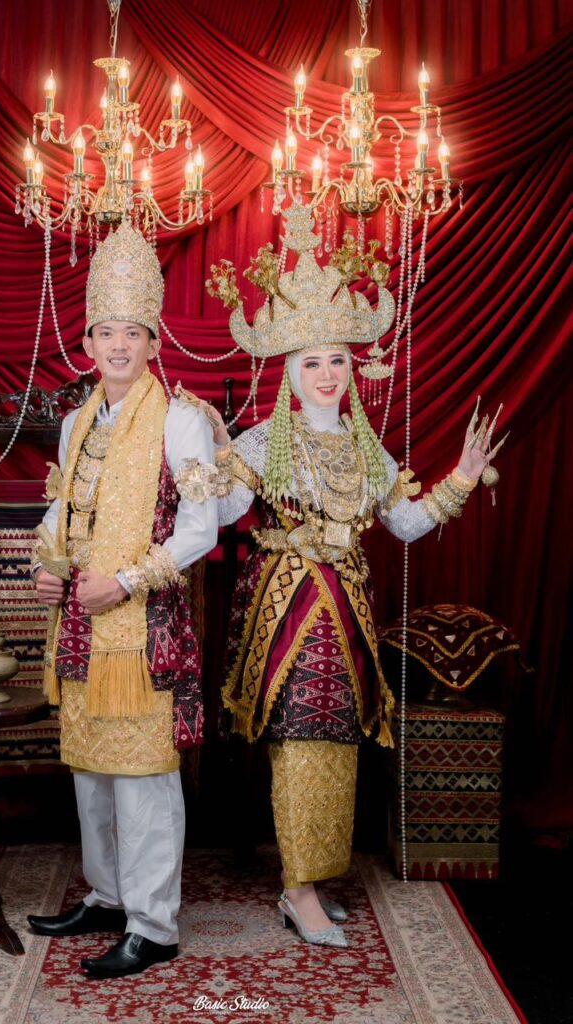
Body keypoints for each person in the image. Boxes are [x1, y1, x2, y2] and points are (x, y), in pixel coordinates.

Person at [206, 203, 505, 948]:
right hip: (287, 603)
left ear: (353, 368)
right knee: (302, 729)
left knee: (336, 732)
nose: (327, 374)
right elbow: (222, 513)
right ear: (289, 371)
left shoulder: (367, 449)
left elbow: (404, 524)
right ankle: (298, 888)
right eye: (311, 362)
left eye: (337, 360)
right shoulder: (260, 440)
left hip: (347, 607)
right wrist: (210, 460)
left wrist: (462, 478)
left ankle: (313, 877)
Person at [27, 220, 219, 979]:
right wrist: (48, 568)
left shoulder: (181, 419)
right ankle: (108, 896)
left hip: (143, 625)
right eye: (104, 332)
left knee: (142, 777)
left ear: (152, 343)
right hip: (81, 623)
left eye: (130, 333)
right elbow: (61, 514)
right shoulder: (77, 422)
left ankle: (154, 924)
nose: (116, 345)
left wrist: (128, 581)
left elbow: (201, 527)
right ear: (87, 342)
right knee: (91, 772)